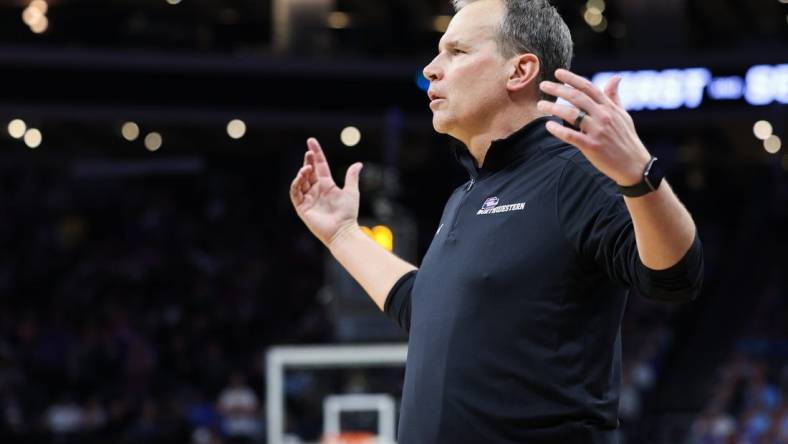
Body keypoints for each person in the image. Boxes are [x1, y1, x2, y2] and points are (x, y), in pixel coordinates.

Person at [289, 0, 704, 442]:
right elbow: (429, 306)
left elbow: (676, 277)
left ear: (520, 71)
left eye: (457, 52)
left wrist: (639, 176)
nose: (431, 68)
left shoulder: (577, 172)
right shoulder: (466, 194)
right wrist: (341, 234)